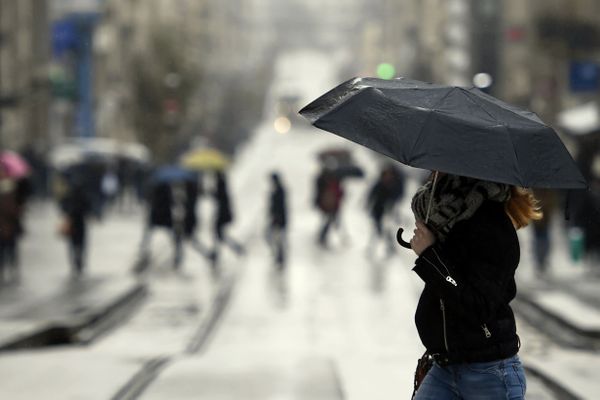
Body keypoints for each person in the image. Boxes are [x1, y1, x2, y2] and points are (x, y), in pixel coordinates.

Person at [409, 171, 535, 399]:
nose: (433, 173)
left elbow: (476, 306)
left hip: (488, 374)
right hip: (444, 367)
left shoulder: (492, 228)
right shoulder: (448, 224)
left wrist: (430, 255)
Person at [365, 163, 405, 256]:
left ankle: (390, 247)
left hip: (388, 211)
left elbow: (398, 196)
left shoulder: (394, 185)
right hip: (377, 210)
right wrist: (368, 204)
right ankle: (372, 247)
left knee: (387, 229)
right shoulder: (379, 184)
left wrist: (393, 203)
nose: (388, 176)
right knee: (377, 229)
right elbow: (371, 194)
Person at [60, 177, 93, 277]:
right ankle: (79, 262)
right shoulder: (84, 196)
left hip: (72, 223)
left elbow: (63, 207)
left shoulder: (69, 196)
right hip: (80, 223)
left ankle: (75, 262)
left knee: (72, 244)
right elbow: (88, 208)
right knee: (81, 244)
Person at [210, 171, 244, 269]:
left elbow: (219, 198)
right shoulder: (222, 184)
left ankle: (216, 253)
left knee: (218, 234)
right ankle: (234, 248)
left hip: (222, 214)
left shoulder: (221, 184)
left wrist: (212, 193)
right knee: (219, 235)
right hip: (222, 214)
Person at [314, 166, 344, 247]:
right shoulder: (328, 183)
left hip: (331, 205)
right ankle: (323, 236)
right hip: (330, 205)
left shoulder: (328, 182)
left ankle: (323, 236)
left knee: (329, 220)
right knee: (329, 220)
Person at [266, 172, 288, 270]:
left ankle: (280, 257)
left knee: (277, 238)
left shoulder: (279, 190)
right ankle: (279, 256)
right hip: (277, 218)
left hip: (278, 218)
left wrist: (276, 217)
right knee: (275, 238)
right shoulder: (277, 189)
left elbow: (279, 206)